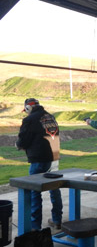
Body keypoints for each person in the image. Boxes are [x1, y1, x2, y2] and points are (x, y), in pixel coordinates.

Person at [16, 98, 63, 230]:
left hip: (39, 159)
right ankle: (57, 219)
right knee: (54, 189)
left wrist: (18, 145)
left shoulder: (29, 120)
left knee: (35, 191)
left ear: (28, 108)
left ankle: (35, 226)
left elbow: (23, 140)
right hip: (53, 157)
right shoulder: (50, 116)